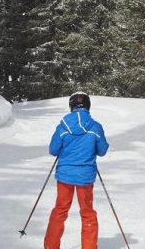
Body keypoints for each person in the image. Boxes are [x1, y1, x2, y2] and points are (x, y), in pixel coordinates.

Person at [44, 92, 109, 249]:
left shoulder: (63, 126)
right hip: (85, 176)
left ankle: (50, 247)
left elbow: (53, 149)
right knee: (87, 213)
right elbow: (102, 151)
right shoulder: (95, 126)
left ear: (71, 106)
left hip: (65, 176)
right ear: (88, 106)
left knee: (60, 210)